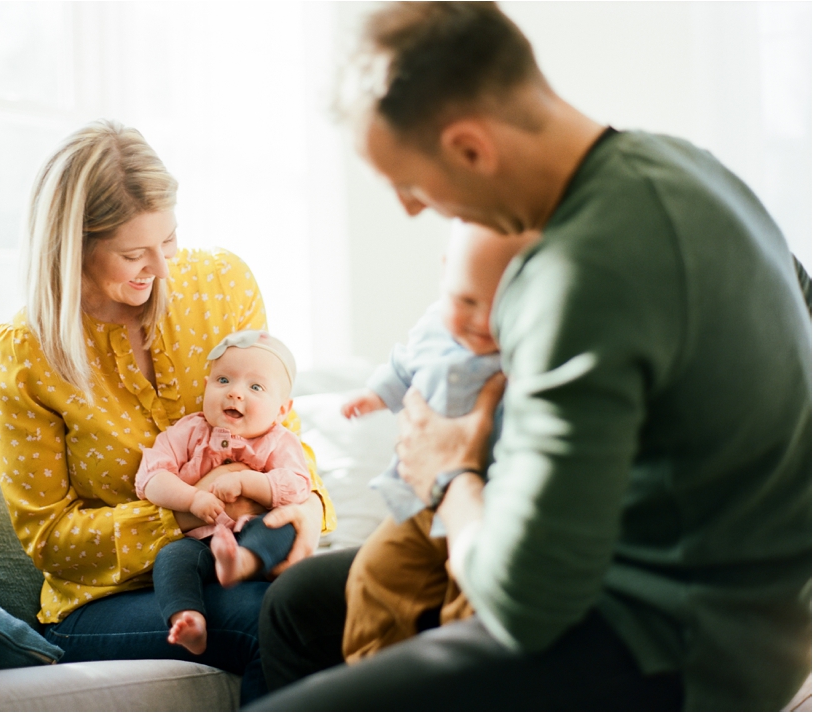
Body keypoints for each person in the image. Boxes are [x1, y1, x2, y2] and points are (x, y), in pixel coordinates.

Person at [251, 3, 811, 711]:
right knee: (304, 603)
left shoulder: (579, 270)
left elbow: (525, 601)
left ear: (470, 149)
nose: (410, 211)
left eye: (410, 184)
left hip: (672, 648)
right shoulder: (688, 167)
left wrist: (448, 469)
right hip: (760, 617)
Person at [0, 119, 335, 705]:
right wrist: (191, 506)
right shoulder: (25, 352)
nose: (163, 266)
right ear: (72, 247)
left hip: (238, 557)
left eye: (168, 240)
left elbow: (281, 436)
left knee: (348, 592)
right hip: (99, 604)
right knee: (275, 616)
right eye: (134, 253)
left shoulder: (222, 284)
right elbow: (51, 537)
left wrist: (306, 507)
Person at [339, 223, 535, 662]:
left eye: (501, 303)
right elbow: (405, 363)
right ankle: (371, 679)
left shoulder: (528, 349)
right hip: (416, 497)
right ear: (446, 274)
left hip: (486, 500)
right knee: (373, 575)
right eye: (465, 300)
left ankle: (454, 686)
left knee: (467, 602)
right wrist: (376, 395)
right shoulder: (433, 326)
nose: (481, 321)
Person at [134, 330, 311, 655]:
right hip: (198, 541)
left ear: (282, 410)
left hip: (254, 536)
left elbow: (297, 486)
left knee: (281, 525)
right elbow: (151, 477)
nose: (235, 394)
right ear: (206, 386)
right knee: (171, 558)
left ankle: (241, 563)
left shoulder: (279, 441)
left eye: (255, 387)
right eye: (224, 380)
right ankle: (188, 618)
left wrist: (247, 483)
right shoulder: (188, 431)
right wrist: (193, 499)